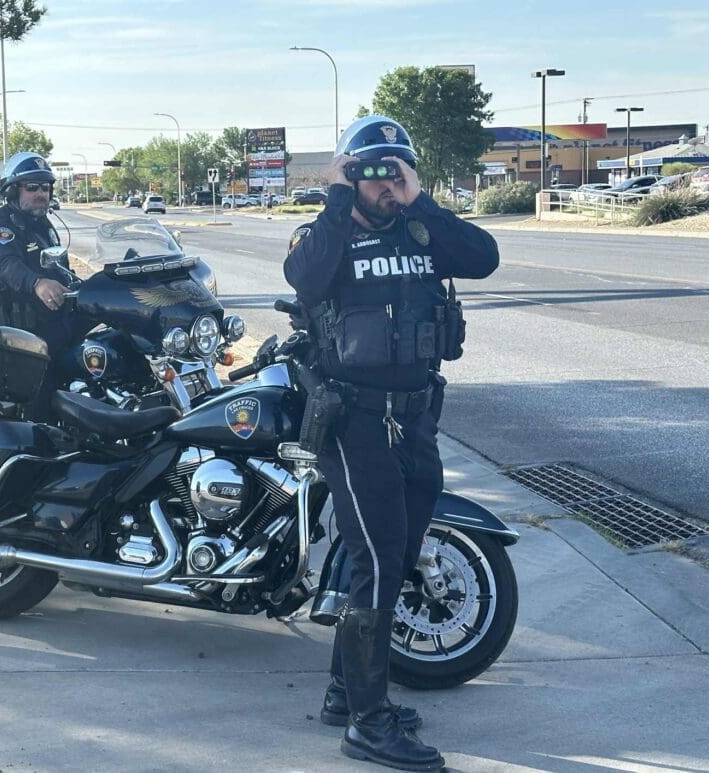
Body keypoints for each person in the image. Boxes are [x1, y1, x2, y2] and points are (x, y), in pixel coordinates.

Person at [283, 115, 499, 771]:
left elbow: (484, 257)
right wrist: (336, 198)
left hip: (416, 417)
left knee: (398, 551)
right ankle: (368, 725)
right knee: (376, 557)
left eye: (392, 168)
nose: (381, 181)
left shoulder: (423, 230)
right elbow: (303, 275)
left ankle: (346, 692)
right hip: (353, 421)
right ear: (349, 174)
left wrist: (420, 198)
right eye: (368, 169)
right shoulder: (329, 233)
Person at [0, 151, 71, 420]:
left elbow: (62, 270)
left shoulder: (42, 225)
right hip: (20, 332)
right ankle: (39, 449)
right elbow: (7, 266)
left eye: (45, 187)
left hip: (51, 322)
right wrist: (37, 283)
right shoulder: (0, 226)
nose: (41, 193)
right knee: (41, 400)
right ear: (12, 191)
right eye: (32, 187)